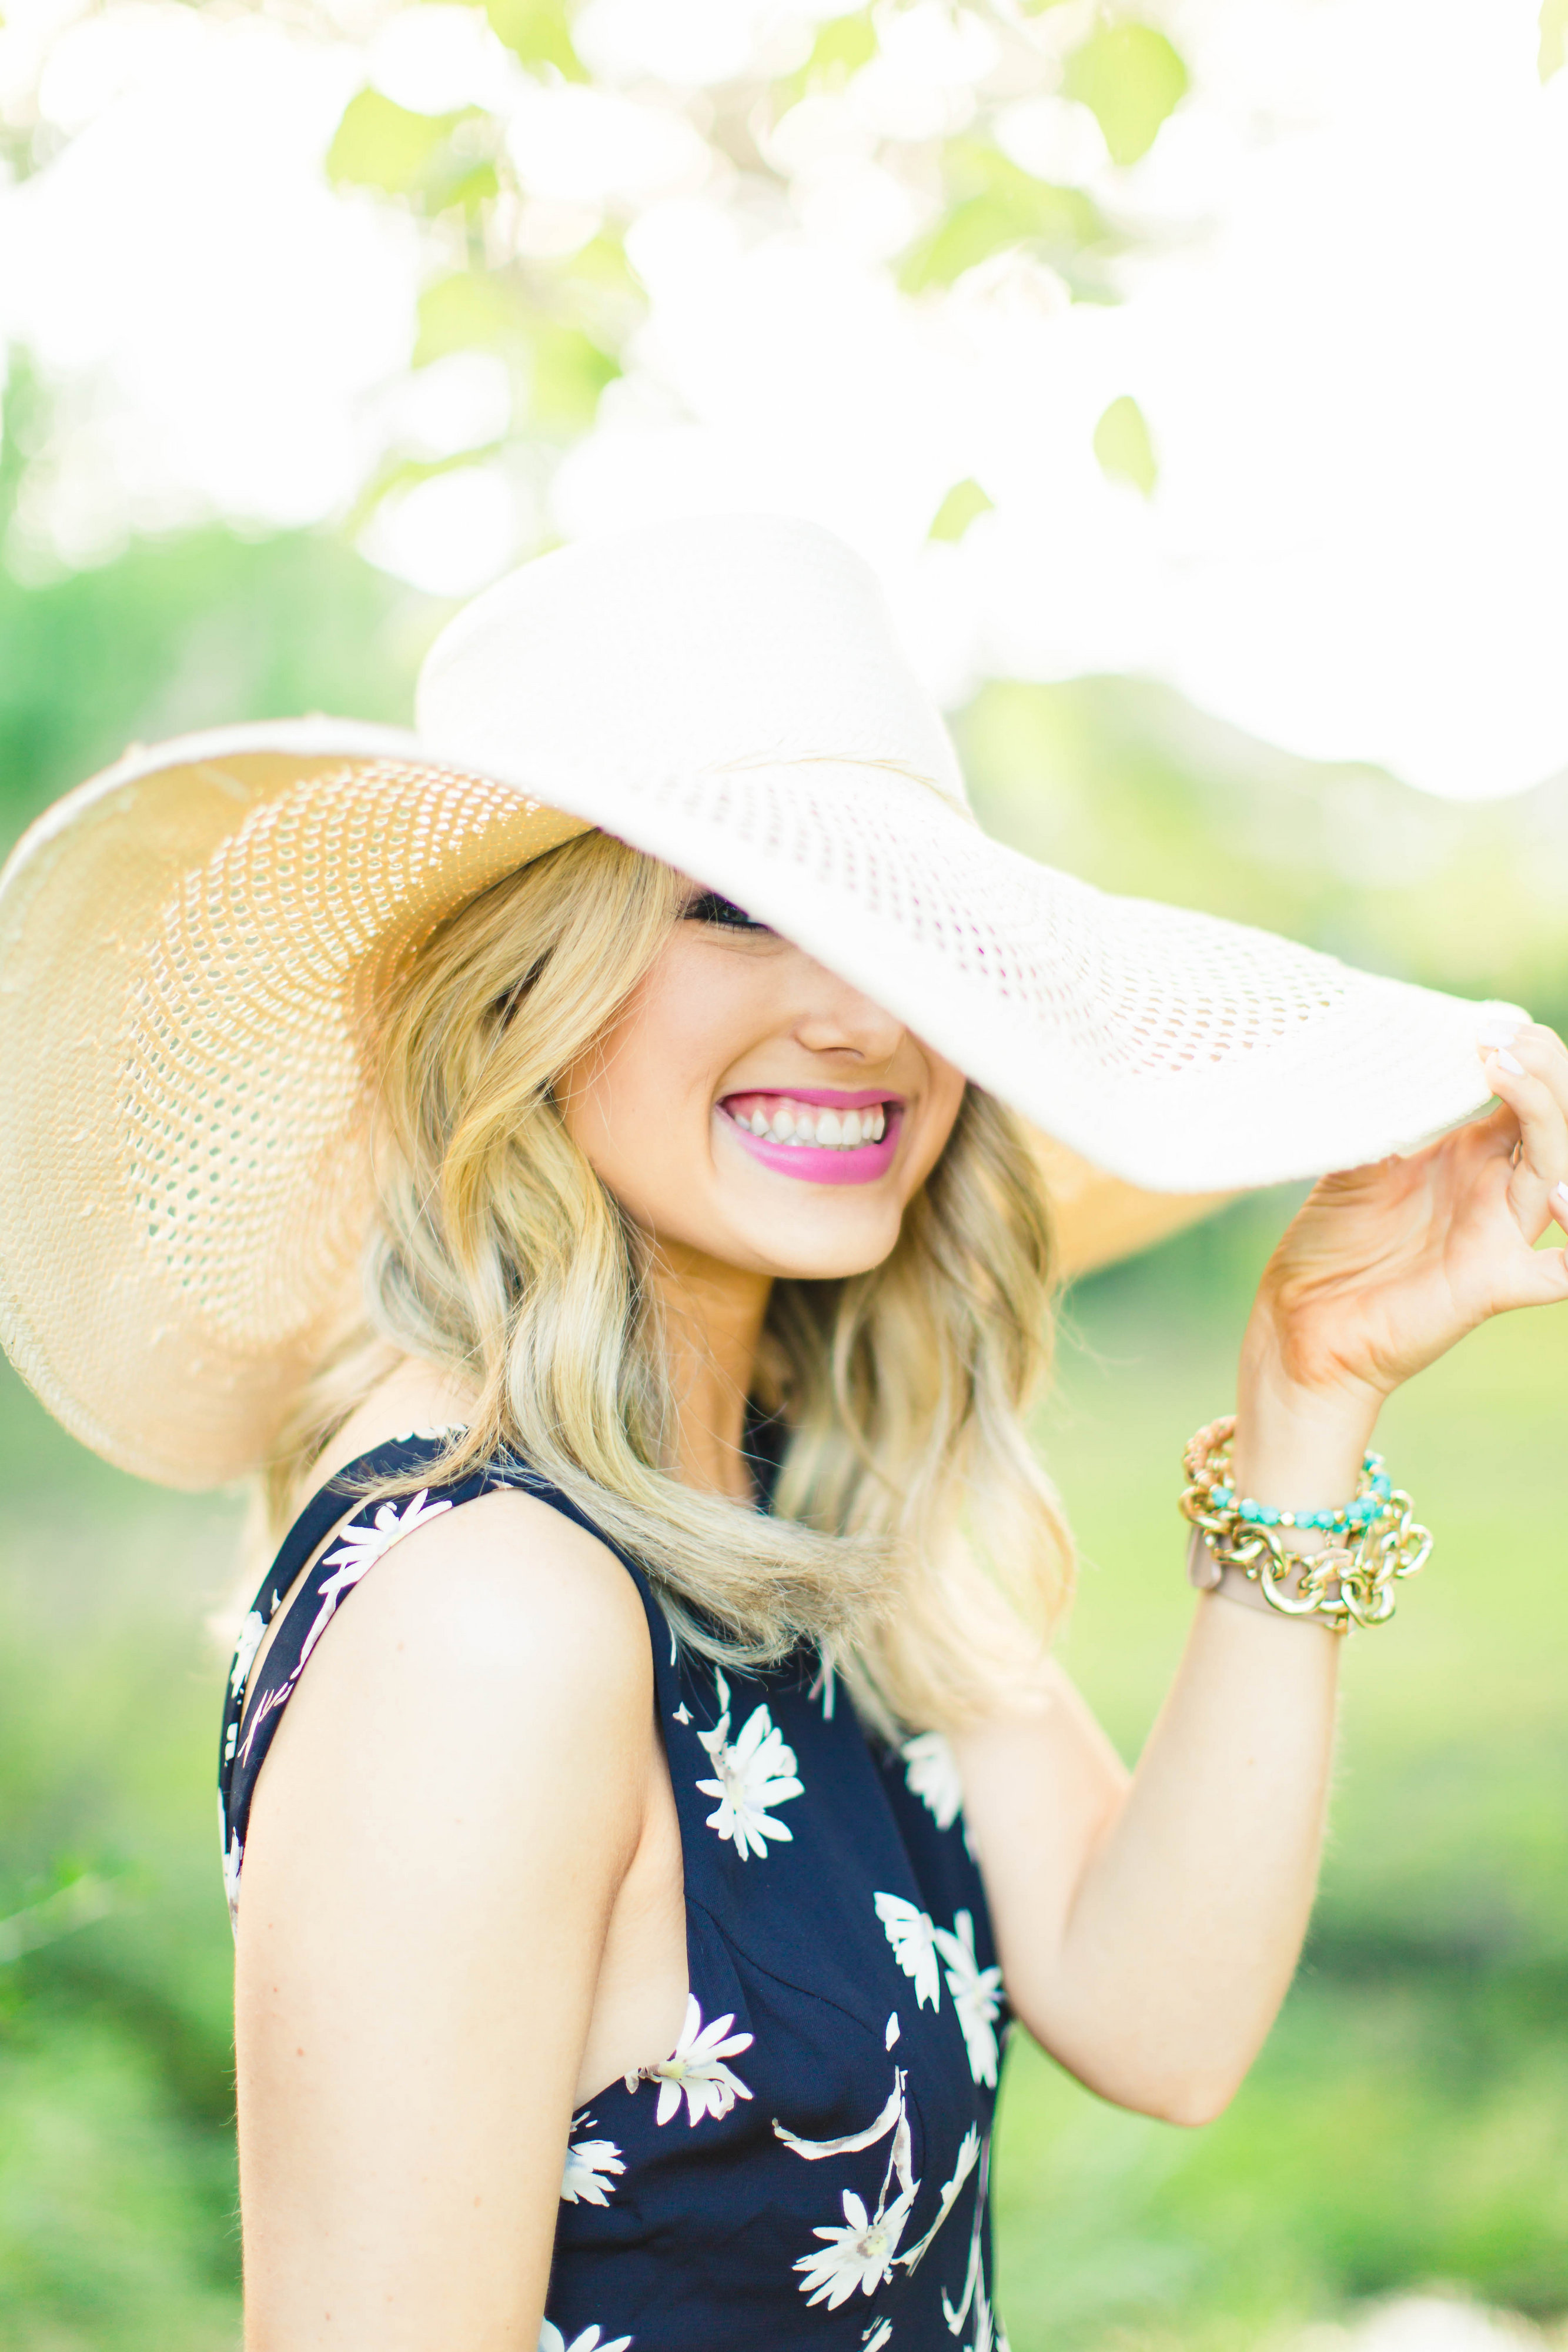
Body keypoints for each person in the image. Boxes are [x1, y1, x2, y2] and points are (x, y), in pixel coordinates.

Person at [1, 516, 1563, 2352]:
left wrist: (1313, 1388)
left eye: (906, 935)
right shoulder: (494, 1611)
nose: (861, 1013)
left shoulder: (773, 1508)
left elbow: (1165, 2019)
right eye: (738, 909)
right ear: (519, 993)